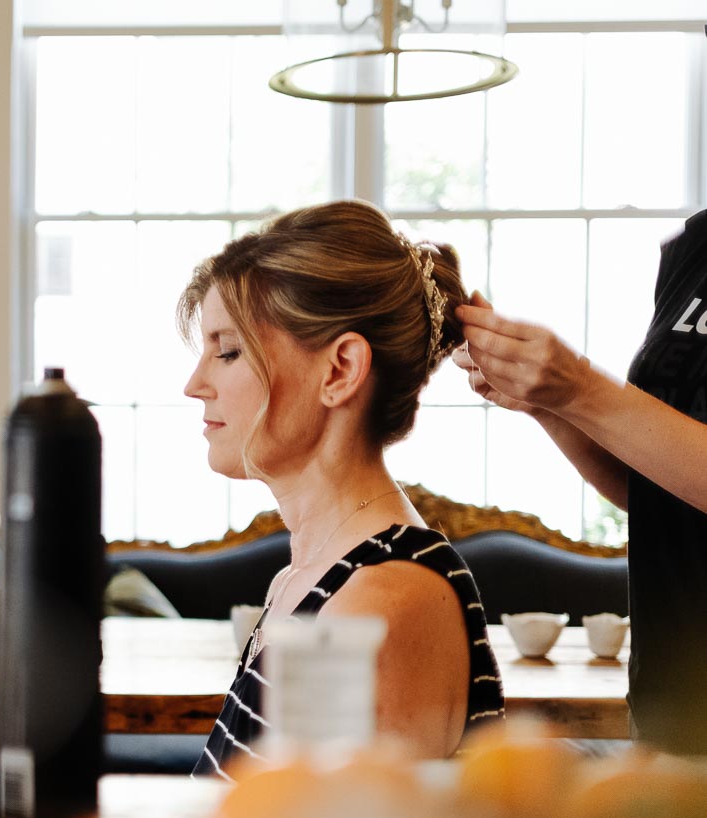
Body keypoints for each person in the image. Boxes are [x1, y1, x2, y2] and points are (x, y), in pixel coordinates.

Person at [177, 200, 504, 779]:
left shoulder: (373, 606)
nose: (195, 384)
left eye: (227, 351)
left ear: (339, 371)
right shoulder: (305, 582)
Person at [453, 209, 707, 755]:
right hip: (672, 698)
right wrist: (552, 406)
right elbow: (660, 492)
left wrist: (583, 389)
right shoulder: (697, 248)